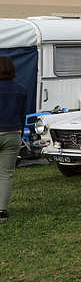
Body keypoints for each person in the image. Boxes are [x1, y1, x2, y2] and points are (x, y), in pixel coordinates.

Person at [0, 56, 26, 221]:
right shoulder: (21, 88)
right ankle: (2, 210)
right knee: (6, 174)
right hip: (13, 134)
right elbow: (22, 114)